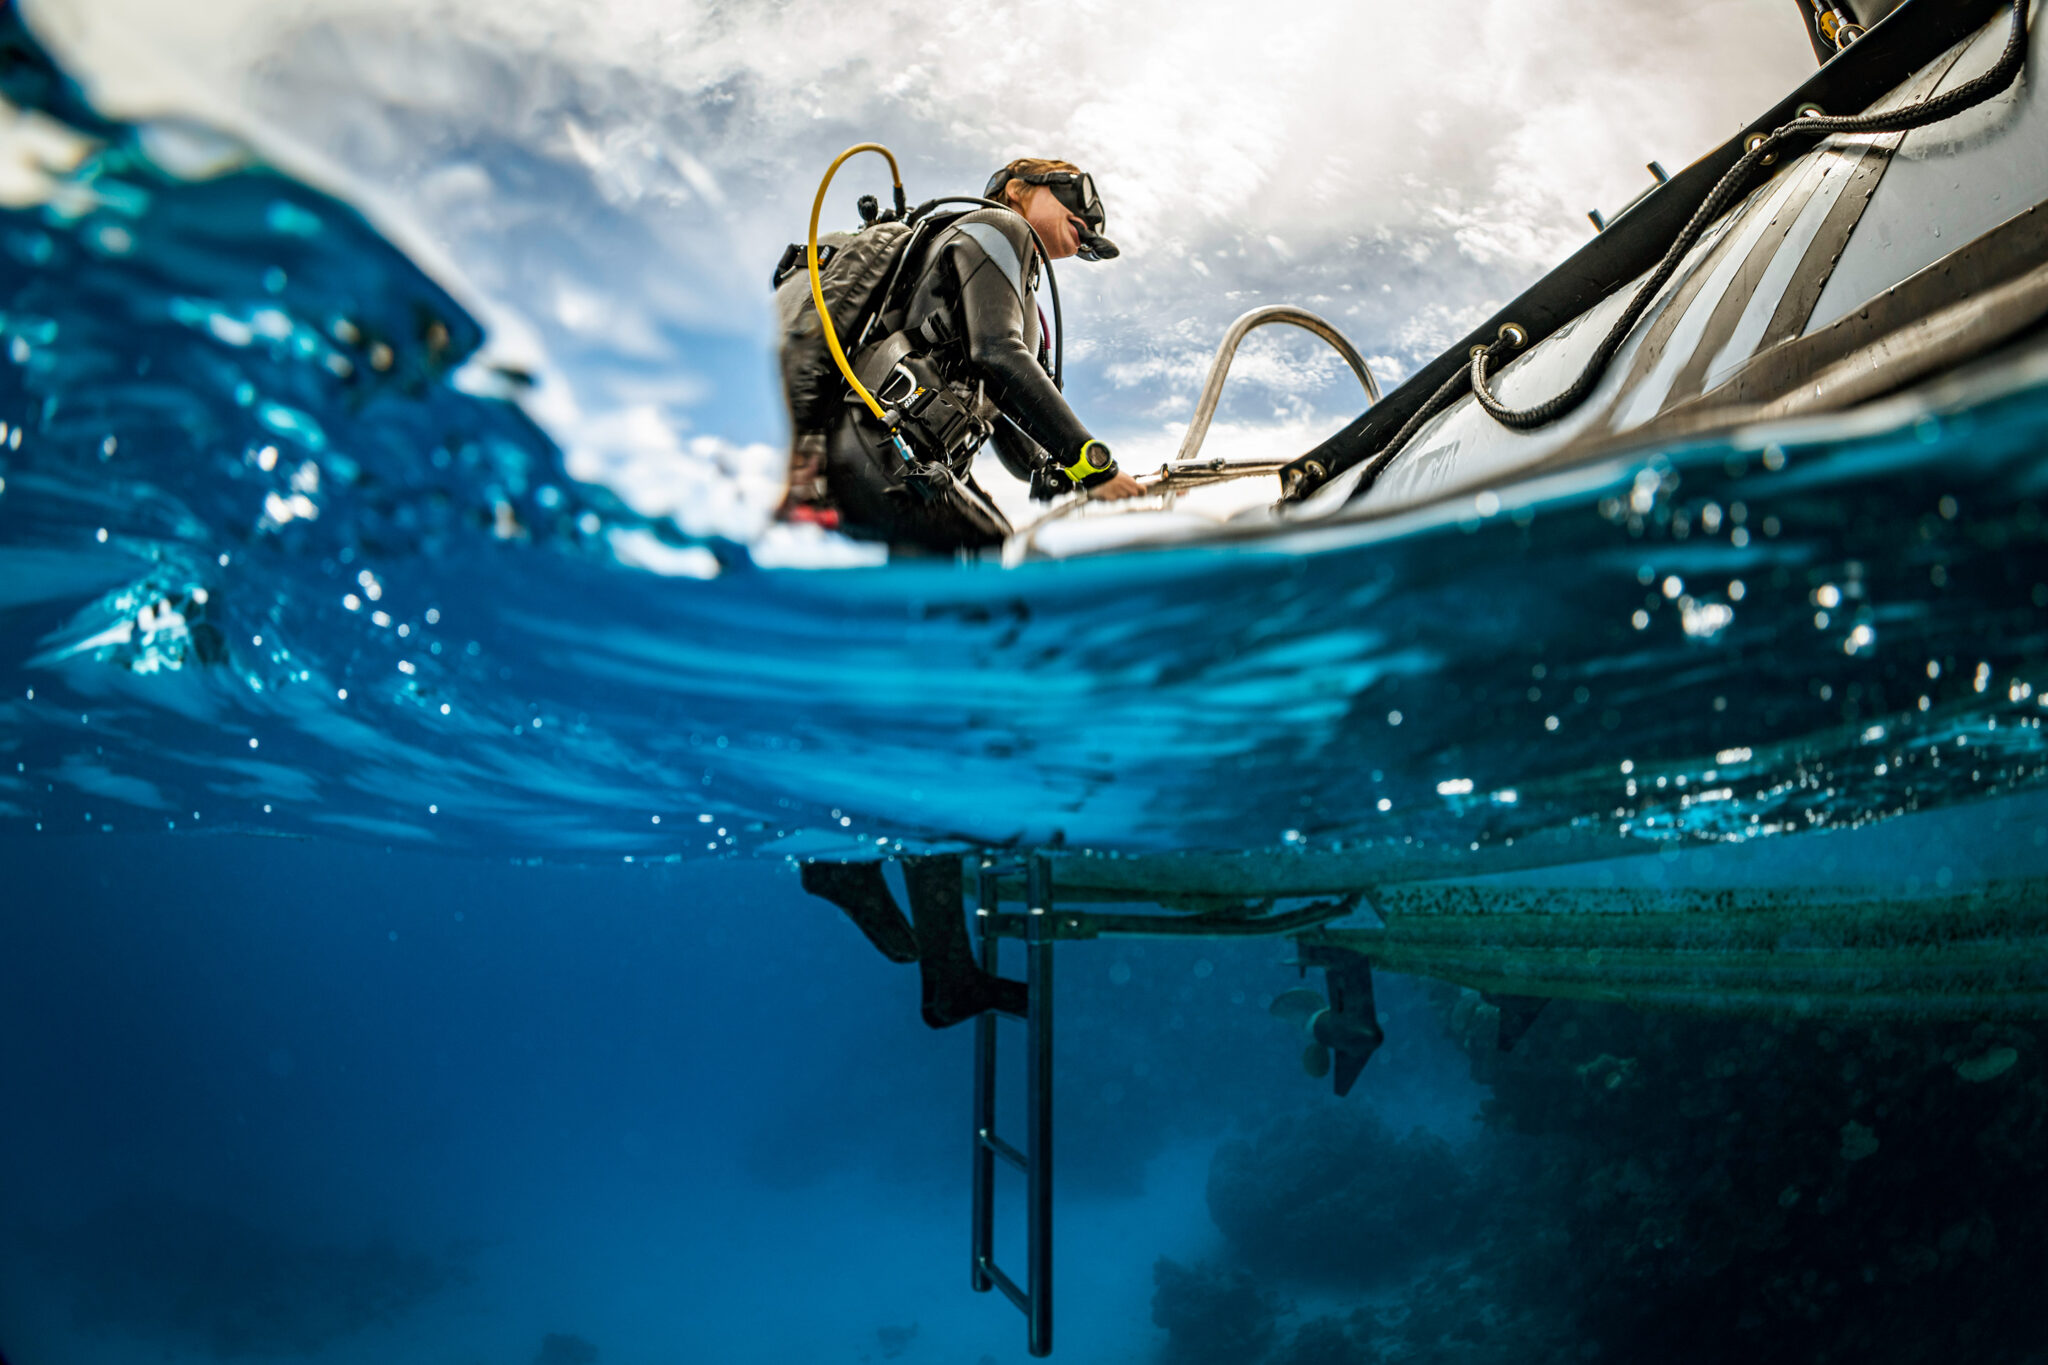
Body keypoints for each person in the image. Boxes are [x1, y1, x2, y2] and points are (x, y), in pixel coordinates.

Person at [789, 157, 1146, 553]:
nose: (1090, 216)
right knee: (988, 549)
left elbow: (1015, 437)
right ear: (1016, 190)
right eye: (1078, 191)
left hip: (900, 457)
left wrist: (1065, 471)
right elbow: (995, 352)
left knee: (989, 549)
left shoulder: (1020, 294)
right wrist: (1093, 463)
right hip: (882, 445)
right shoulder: (1001, 226)